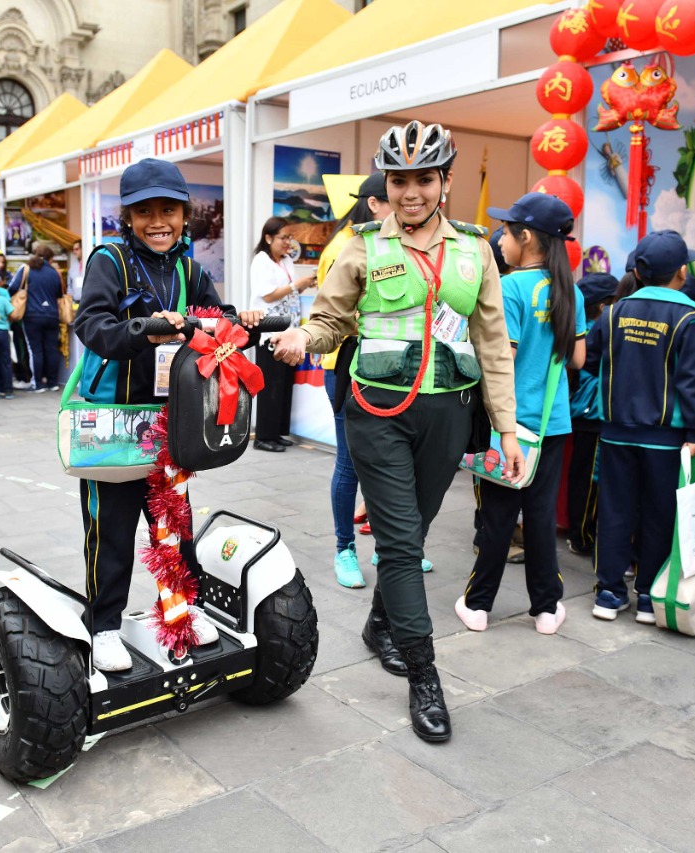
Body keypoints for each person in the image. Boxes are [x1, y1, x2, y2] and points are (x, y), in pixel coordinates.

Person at [270, 122, 521, 743]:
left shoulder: (475, 250)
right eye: (400, 180)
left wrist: (508, 429)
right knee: (401, 545)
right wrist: (306, 335)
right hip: (376, 413)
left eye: (423, 179)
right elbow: (330, 319)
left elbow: (492, 343)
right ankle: (425, 678)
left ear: (445, 183)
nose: (410, 191)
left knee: (417, 527)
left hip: (448, 415)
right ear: (387, 183)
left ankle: (381, 624)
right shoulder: (358, 247)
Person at [74, 157, 263, 673]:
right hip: (114, 422)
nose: (158, 221)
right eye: (145, 212)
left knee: (172, 525)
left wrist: (239, 319)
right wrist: (147, 329)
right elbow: (91, 326)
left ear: (184, 215)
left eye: (169, 210)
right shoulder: (109, 261)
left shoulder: (192, 270)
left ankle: (179, 613)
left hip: (170, 422)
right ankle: (104, 626)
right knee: (109, 531)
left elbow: (216, 324)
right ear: (127, 217)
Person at [457, 193, 585, 636]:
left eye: (506, 232)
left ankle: (477, 606)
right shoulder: (570, 290)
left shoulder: (510, 287)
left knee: (496, 516)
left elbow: (502, 360)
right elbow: (578, 359)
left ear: (526, 237)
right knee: (541, 516)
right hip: (554, 423)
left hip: (508, 425)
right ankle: (546, 609)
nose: (500, 239)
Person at [584, 231, 695, 623]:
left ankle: (608, 593)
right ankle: (646, 597)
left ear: (638, 272)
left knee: (615, 509)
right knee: (659, 514)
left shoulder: (613, 312)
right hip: (665, 439)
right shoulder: (692, 318)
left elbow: (589, 362)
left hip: (615, 432)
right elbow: (694, 383)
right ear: (681, 272)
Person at [317, 173, 387, 589]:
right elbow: (333, 313)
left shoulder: (383, 244)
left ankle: (386, 546)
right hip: (345, 364)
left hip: (384, 368)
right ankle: (344, 549)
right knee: (350, 462)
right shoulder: (346, 247)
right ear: (376, 204)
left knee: (386, 463)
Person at [250, 217, 315, 452]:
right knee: (270, 385)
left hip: (289, 331)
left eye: (290, 237)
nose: (288, 243)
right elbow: (267, 295)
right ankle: (264, 437)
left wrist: (301, 285)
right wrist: (297, 284)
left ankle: (277, 433)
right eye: (283, 238)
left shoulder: (286, 260)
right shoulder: (261, 261)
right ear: (268, 238)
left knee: (285, 383)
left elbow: (288, 289)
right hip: (269, 332)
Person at [565, 272, 619, 557]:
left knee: (580, 475)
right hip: (594, 412)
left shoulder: (580, 329)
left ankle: (579, 532)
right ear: (601, 306)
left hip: (580, 412)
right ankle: (582, 535)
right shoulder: (600, 332)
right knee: (589, 479)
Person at [22, 243, 64, 392]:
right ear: (50, 258)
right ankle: (52, 383)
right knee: (51, 349)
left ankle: (38, 384)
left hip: (32, 315)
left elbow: (13, 288)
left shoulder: (27, 270)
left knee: (36, 350)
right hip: (52, 315)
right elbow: (60, 294)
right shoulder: (54, 273)